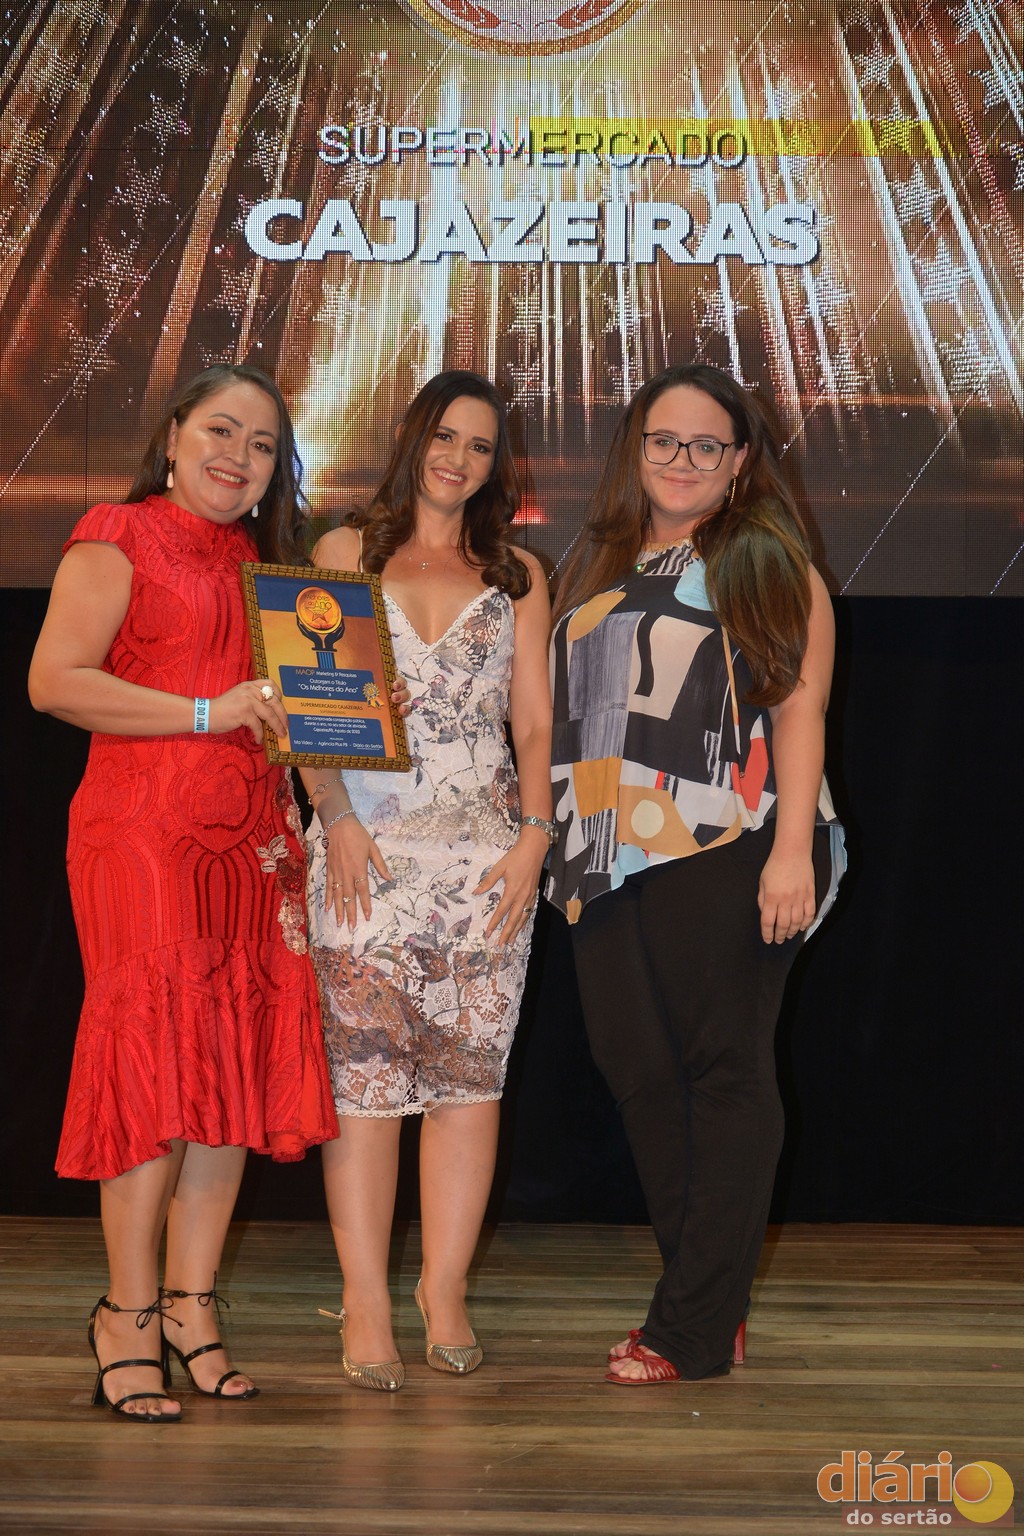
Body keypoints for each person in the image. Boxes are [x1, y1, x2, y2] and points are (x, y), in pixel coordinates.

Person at [28, 364, 340, 1421]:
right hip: (142, 836)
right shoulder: (117, 533)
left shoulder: (273, 568)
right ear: (172, 437)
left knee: (229, 1072)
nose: (237, 455)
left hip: (255, 843)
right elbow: (55, 681)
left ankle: (190, 1307)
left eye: (262, 444)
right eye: (220, 430)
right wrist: (208, 712)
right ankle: (124, 1314)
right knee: (156, 1066)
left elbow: (305, 709)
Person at [545, 363, 845, 1384]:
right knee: (636, 1068)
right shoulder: (598, 560)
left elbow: (797, 710)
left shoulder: (762, 561)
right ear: (637, 450)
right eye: (663, 440)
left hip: (730, 839)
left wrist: (792, 852)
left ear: (740, 461)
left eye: (705, 444)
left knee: (724, 1070)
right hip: (601, 846)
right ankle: (707, 1299)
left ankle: (690, 1329)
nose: (681, 460)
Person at [301, 370, 552, 1391]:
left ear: (497, 465)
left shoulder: (518, 573)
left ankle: (442, 1291)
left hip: (485, 858)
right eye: (445, 437)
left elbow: (534, 720)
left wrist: (534, 836)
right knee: (364, 1084)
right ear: (414, 439)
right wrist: (335, 818)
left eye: (480, 446)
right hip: (364, 850)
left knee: (467, 1081)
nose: (459, 459)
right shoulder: (343, 553)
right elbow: (310, 701)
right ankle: (364, 1300)